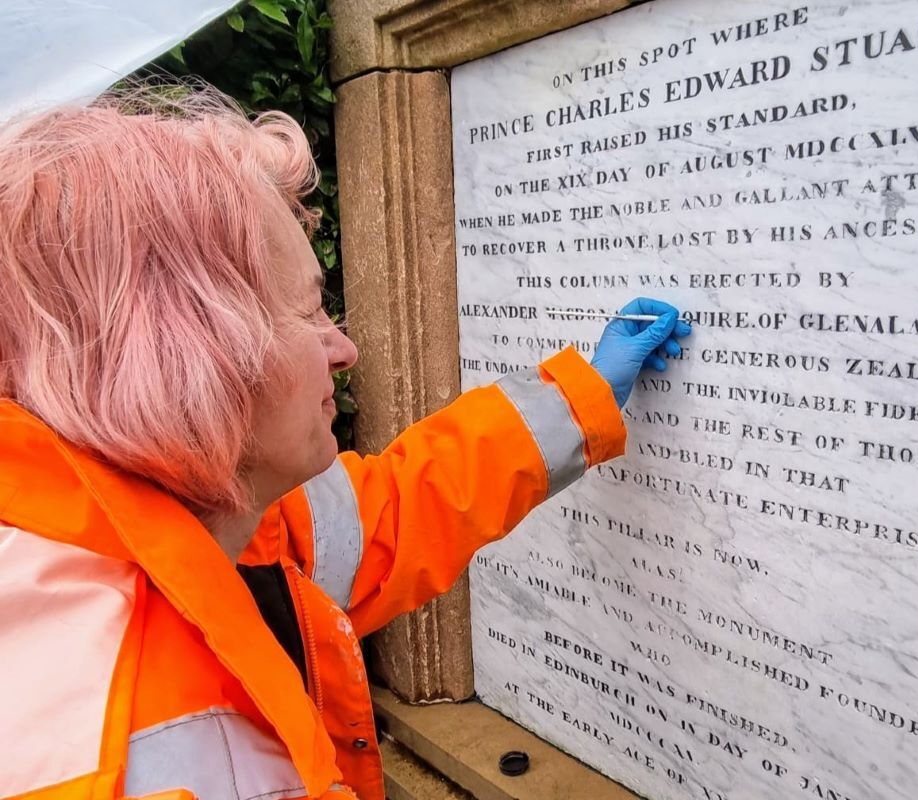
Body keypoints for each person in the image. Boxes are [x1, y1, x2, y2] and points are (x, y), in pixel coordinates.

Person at [0, 87, 691, 800]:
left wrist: (581, 400)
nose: (345, 348)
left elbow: (393, 511)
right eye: (307, 312)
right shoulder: (107, 746)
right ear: (186, 356)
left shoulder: (220, 511)